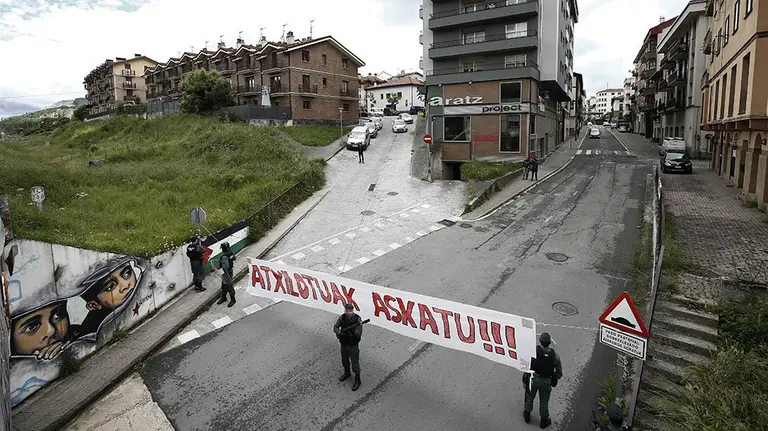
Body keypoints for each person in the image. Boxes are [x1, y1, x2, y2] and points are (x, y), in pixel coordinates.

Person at [523, 332, 563, 429]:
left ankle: (527, 414)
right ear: (549, 343)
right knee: (544, 401)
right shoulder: (555, 356)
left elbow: (527, 362)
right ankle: (544, 420)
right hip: (546, 381)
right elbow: (559, 372)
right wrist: (555, 378)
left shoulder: (534, 351)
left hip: (534, 378)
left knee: (530, 396)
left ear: (540, 341)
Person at [333, 303, 363, 391]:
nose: (348, 312)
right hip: (344, 344)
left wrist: (353, 329)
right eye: (347, 311)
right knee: (344, 360)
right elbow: (335, 327)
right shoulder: (342, 317)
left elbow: (359, 334)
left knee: (355, 363)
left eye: (350, 311)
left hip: (353, 345)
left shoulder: (357, 319)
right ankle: (347, 372)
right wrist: (338, 332)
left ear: (352, 310)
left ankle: (358, 379)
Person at [216, 242, 236, 308]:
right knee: (224, 285)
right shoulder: (231, 253)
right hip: (230, 271)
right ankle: (223, 297)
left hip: (226, 273)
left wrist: (220, 267)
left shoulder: (224, 256)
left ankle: (233, 299)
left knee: (229, 286)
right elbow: (234, 258)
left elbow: (226, 266)